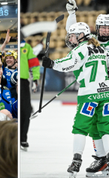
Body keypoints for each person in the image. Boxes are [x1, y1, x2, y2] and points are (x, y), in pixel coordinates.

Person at [42, 22, 109, 177]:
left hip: (89, 95)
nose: (70, 39)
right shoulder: (100, 48)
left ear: (80, 36)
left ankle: (76, 161)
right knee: (105, 126)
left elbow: (69, 63)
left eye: (72, 36)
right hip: (105, 93)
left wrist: (52, 63)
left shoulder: (81, 48)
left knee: (80, 127)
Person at [66, 0, 109, 176]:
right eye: (103, 27)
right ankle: (102, 158)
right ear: (96, 29)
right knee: (93, 127)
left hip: (104, 91)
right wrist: (71, 14)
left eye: (108, 28)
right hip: (94, 91)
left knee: (105, 125)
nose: (106, 30)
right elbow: (73, 33)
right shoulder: (92, 43)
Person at [20, 39, 40, 150]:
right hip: (9, 82)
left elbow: (34, 64)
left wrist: (36, 78)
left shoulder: (26, 47)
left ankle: (23, 138)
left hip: (23, 82)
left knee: (25, 111)